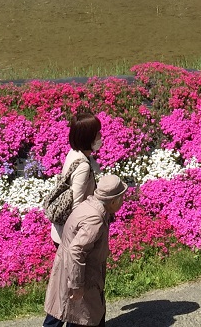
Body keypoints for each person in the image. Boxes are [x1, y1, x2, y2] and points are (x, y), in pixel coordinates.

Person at [43, 174, 129, 327]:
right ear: (113, 200)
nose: (124, 201)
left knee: (67, 314)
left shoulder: (90, 205)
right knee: (83, 317)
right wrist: (77, 285)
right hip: (81, 275)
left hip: (71, 270)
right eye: (122, 197)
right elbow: (76, 251)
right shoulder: (95, 218)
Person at [51, 113, 102, 245]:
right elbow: (76, 205)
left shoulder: (74, 153)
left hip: (63, 233)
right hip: (70, 237)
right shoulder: (82, 167)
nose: (101, 136)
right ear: (88, 137)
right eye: (97, 133)